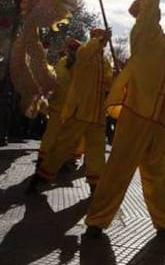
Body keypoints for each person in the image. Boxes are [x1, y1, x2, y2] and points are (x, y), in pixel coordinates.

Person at [85, 0, 165, 241]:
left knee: (158, 173)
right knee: (120, 166)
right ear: (142, 13)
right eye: (148, 7)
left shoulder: (161, 39)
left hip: (160, 117)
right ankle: (97, 220)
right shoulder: (142, 31)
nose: (153, 10)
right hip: (137, 111)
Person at [26, 28, 113, 194]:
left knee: (96, 151)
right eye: (99, 38)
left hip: (98, 114)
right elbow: (85, 53)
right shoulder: (85, 53)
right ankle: (40, 178)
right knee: (62, 146)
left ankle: (95, 186)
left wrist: (114, 78)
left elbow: (108, 82)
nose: (104, 41)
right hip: (80, 111)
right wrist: (99, 41)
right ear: (93, 38)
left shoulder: (105, 60)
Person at [36, 38, 81, 168]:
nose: (72, 51)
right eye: (71, 49)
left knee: (65, 137)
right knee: (53, 135)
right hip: (62, 107)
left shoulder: (81, 65)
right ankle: (45, 160)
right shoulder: (63, 63)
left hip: (71, 109)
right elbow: (55, 82)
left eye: (74, 49)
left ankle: (64, 160)